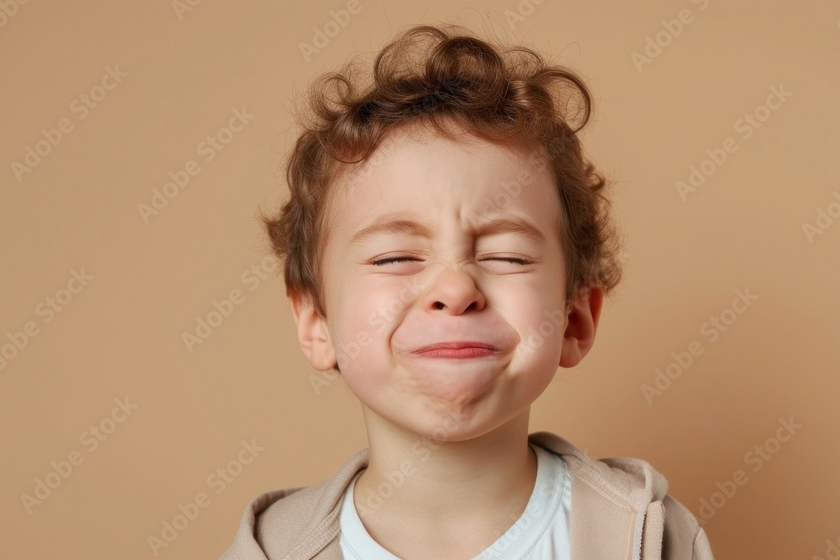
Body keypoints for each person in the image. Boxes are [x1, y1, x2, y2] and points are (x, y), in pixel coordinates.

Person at [221, 22, 714, 560]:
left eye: (507, 257)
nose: (456, 288)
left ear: (575, 319)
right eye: (395, 257)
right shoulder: (271, 549)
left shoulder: (646, 537)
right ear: (316, 323)